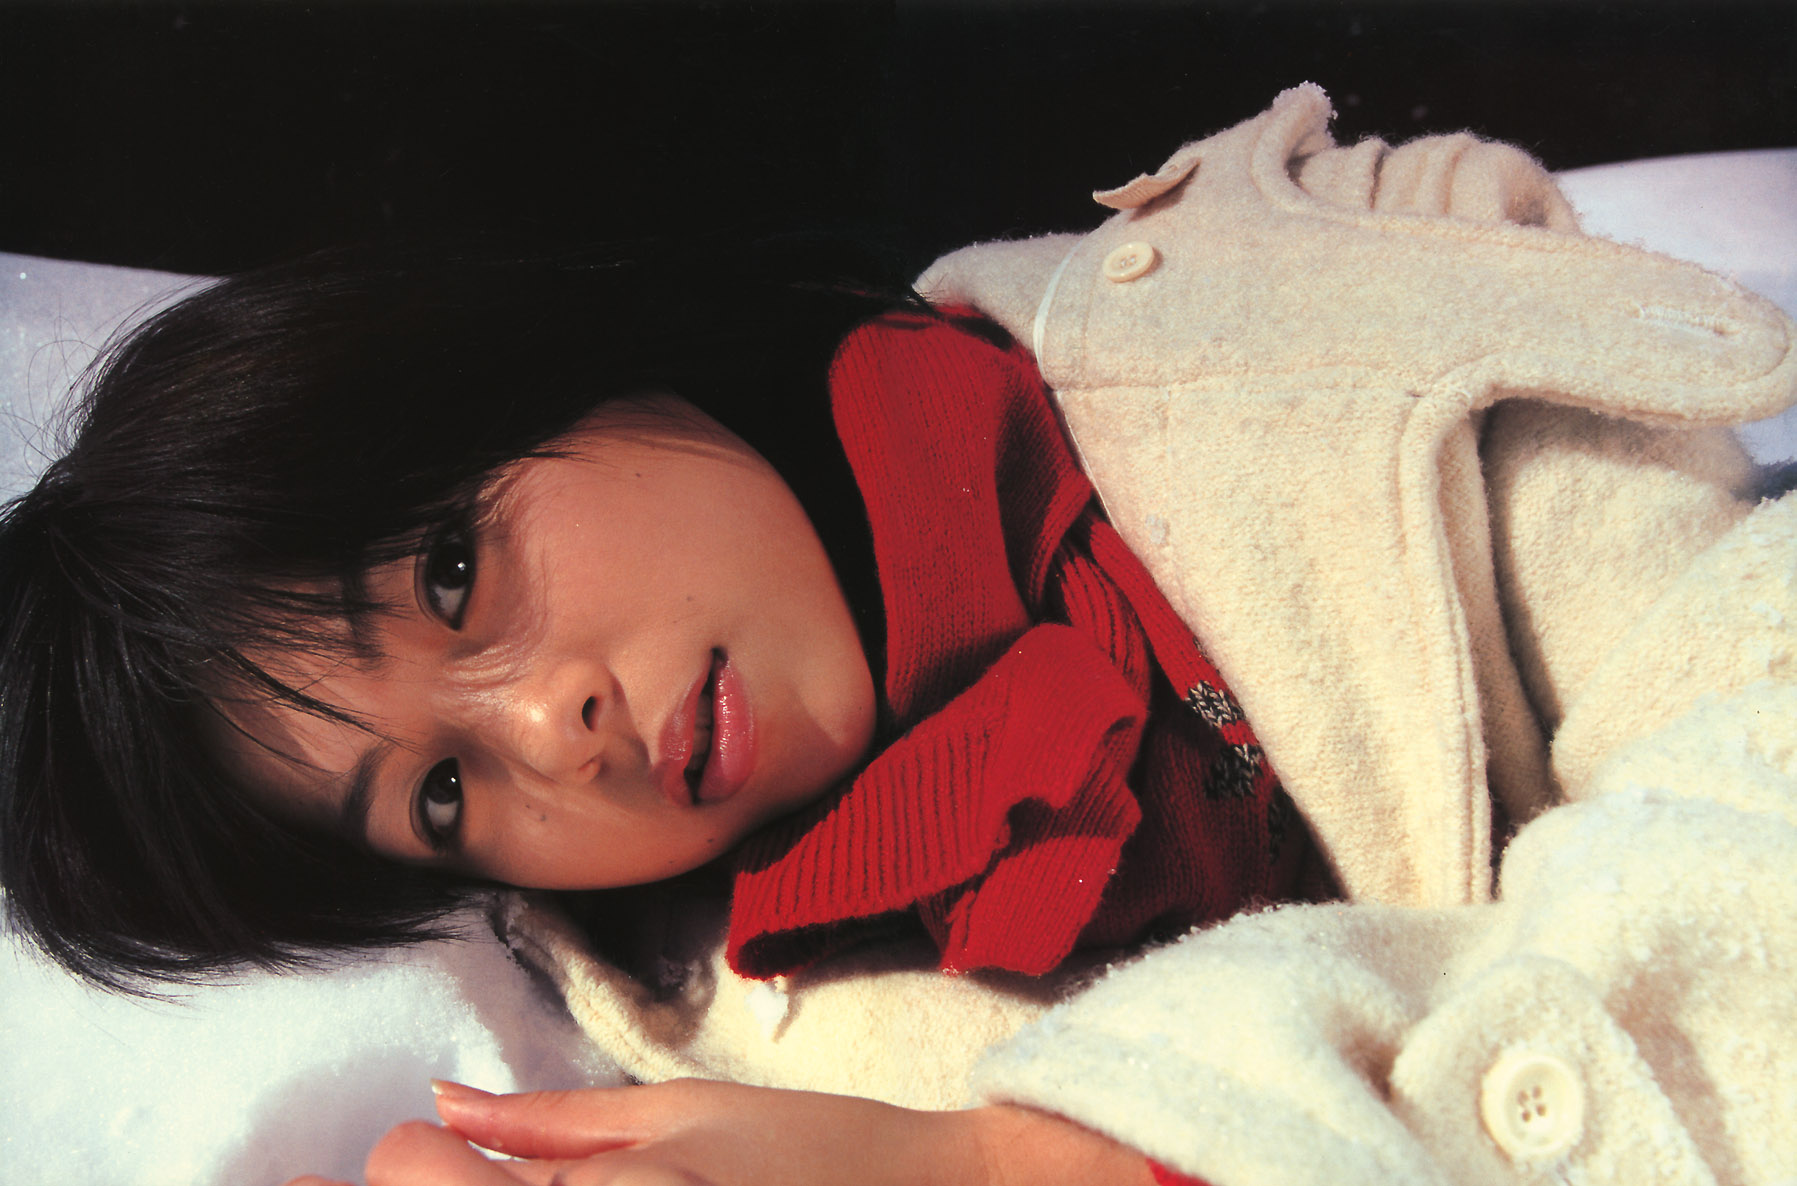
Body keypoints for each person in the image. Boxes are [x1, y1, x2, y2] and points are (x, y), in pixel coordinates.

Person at [14, 85, 1797, 1185]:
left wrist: (1027, 1167)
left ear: (538, 375)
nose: (554, 730)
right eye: (438, 795)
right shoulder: (757, 1068)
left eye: (456, 575)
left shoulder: (1340, 312)